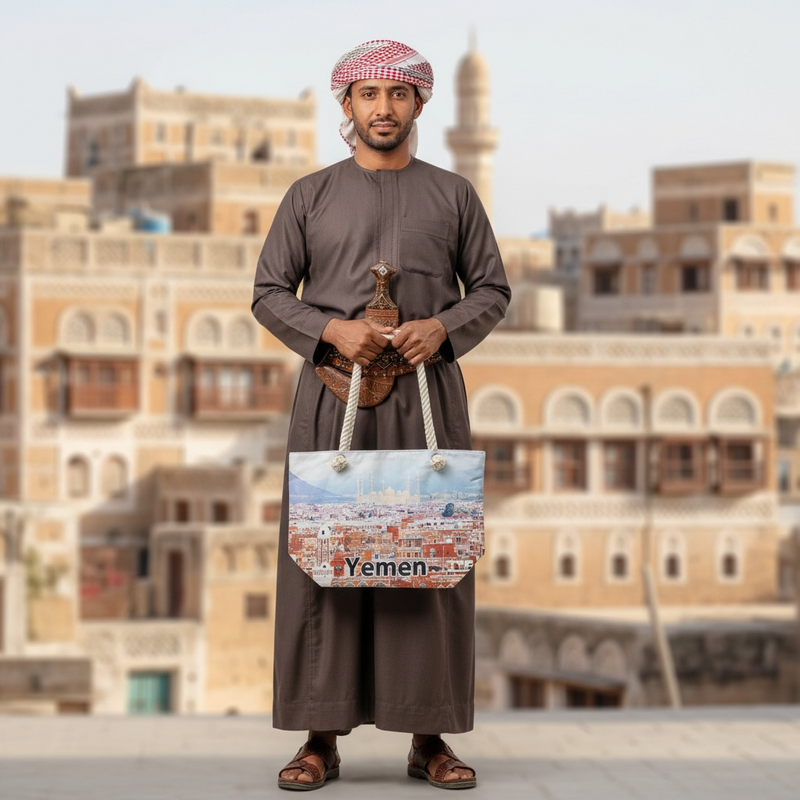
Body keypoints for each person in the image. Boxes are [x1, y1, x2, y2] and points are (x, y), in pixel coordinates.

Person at [251, 39, 510, 791]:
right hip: (334, 402)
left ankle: (429, 740)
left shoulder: (455, 195)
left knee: (425, 561)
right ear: (347, 107)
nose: (383, 109)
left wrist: (445, 327)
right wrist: (332, 330)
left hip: (425, 404)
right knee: (324, 565)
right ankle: (317, 741)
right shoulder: (309, 195)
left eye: (398, 95)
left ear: (420, 104)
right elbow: (269, 291)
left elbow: (492, 289)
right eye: (369, 95)